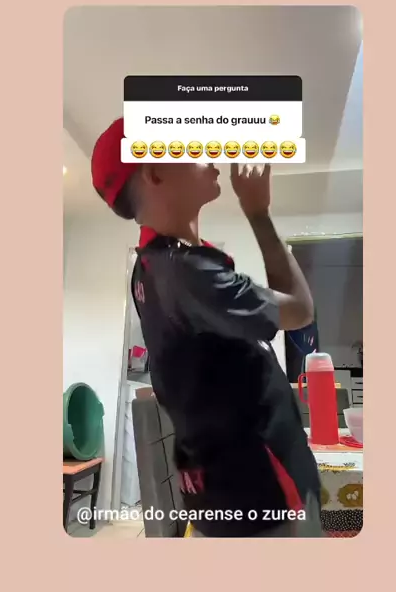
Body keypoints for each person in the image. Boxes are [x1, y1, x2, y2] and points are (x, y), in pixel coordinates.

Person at [92, 118, 322, 537]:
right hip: (264, 503)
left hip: (227, 496)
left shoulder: (153, 268)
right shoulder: (187, 274)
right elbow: (302, 309)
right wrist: (258, 214)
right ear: (155, 171)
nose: (209, 152)